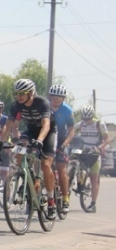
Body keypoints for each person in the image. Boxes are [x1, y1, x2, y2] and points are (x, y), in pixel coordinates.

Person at [0, 79, 57, 220]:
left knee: (45, 165)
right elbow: (8, 126)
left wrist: (39, 141)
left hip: (48, 132)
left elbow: (46, 125)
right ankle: (23, 174)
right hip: (31, 130)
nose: (18, 96)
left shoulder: (42, 103)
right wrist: (1, 142)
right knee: (19, 148)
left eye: (22, 93)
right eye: (16, 93)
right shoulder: (16, 106)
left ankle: (51, 201)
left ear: (31, 93)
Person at [73, 105, 109, 213]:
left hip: (95, 153)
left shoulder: (99, 124)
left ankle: (93, 204)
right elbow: (70, 133)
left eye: (88, 119)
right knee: (79, 171)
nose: (86, 121)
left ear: (92, 117)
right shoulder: (80, 124)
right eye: (84, 118)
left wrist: (100, 147)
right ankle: (78, 185)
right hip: (84, 151)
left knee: (94, 178)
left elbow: (107, 139)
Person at [48, 84, 75, 213]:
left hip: (62, 141)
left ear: (63, 98)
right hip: (48, 140)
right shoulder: (45, 107)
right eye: (53, 97)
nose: (56, 99)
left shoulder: (67, 111)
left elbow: (71, 131)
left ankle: (65, 199)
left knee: (61, 168)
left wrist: (65, 144)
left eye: (59, 97)